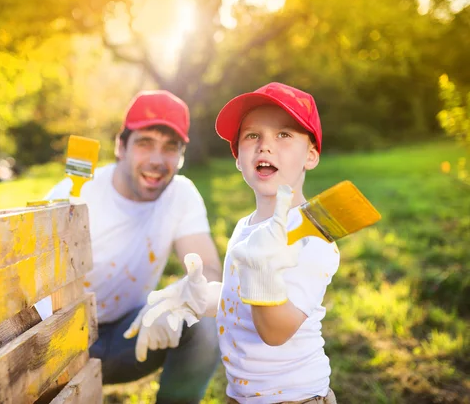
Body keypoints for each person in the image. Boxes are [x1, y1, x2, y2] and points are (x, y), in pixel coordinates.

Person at [138, 82, 340, 403]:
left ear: (311, 155)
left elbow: (275, 332)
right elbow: (238, 297)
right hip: (241, 394)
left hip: (294, 398)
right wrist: (194, 298)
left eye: (284, 135)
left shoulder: (312, 237)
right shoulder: (246, 226)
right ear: (237, 158)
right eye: (252, 136)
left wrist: (263, 275)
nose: (265, 146)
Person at [37, 90, 222, 404]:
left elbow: (212, 274)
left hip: (129, 337)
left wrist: (181, 299)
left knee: (206, 322)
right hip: (53, 347)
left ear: (181, 157)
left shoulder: (182, 195)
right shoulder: (73, 193)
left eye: (170, 148)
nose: (156, 160)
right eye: (145, 143)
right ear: (120, 147)